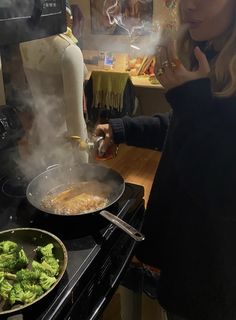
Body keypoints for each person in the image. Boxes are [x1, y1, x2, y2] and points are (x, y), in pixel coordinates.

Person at [95, 0, 236, 319]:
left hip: (215, 275)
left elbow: (218, 187)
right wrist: (122, 128)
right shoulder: (214, 52)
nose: (190, 5)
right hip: (189, 252)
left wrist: (191, 101)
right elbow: (180, 126)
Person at [18, 4, 88, 176]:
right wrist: (84, 163)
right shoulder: (69, 51)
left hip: (39, 140)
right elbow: (75, 120)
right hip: (66, 148)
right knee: (68, 199)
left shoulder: (25, 44)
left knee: (45, 194)